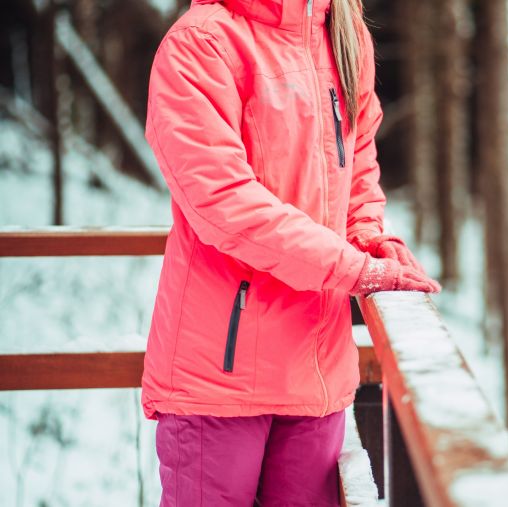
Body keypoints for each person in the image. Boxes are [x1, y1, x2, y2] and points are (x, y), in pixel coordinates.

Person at [141, 0, 441, 504]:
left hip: (317, 376)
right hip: (220, 378)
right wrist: (355, 269)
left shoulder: (342, 35)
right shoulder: (200, 44)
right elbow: (225, 204)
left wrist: (370, 239)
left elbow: (359, 168)